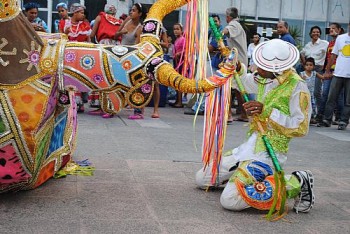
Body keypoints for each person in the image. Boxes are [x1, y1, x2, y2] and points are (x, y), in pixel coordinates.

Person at [196, 39, 314, 215]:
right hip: (248, 148)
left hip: (269, 152)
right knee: (202, 178)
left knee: (229, 200)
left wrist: (267, 111)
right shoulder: (265, 78)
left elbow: (301, 126)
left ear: (276, 69)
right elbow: (243, 81)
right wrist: (236, 69)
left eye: (261, 66)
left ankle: (297, 181)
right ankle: (245, 176)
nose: (256, 69)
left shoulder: (298, 87)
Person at [115, 3, 147, 119]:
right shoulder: (127, 21)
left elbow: (137, 47)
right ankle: (114, 106)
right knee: (118, 81)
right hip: (121, 55)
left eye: (134, 11)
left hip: (132, 58)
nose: (131, 12)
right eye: (131, 10)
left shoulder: (140, 28)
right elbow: (115, 35)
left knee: (135, 83)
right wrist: (121, 33)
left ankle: (138, 111)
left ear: (139, 14)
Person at [321, 21, 350, 130]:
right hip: (338, 73)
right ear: (348, 26)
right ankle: (327, 119)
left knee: (348, 101)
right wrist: (327, 71)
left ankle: (343, 121)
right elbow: (333, 56)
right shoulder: (341, 38)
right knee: (331, 97)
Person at [222, 7, 248, 123]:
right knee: (238, 90)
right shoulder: (238, 25)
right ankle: (244, 114)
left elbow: (226, 31)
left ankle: (228, 115)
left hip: (237, 63)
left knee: (228, 88)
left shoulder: (234, 24)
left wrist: (219, 34)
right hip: (239, 61)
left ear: (228, 17)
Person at [65, 3, 91, 113]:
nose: (83, 15)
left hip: (82, 54)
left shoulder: (85, 25)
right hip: (69, 54)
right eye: (81, 12)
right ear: (75, 13)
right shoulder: (65, 23)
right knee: (70, 77)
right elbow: (62, 37)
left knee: (81, 77)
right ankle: (71, 101)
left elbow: (89, 40)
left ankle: (81, 103)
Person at [300, 26, 329, 122]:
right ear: (310, 34)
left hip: (318, 69)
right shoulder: (308, 45)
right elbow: (302, 53)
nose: (315, 33)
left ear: (320, 34)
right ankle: (309, 115)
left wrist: (327, 68)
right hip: (307, 69)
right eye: (313, 32)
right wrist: (304, 63)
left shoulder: (324, 44)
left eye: (317, 32)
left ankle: (320, 114)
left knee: (317, 92)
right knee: (306, 92)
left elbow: (331, 54)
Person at [318, 23, 344, 125]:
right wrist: (326, 70)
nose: (331, 30)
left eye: (334, 28)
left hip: (338, 72)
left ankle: (339, 116)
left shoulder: (342, 42)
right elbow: (328, 58)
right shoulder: (330, 43)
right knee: (325, 93)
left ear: (339, 30)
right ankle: (322, 115)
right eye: (330, 28)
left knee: (338, 96)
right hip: (328, 72)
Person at [300, 57, 324, 124]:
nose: (309, 67)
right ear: (304, 66)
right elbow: (298, 81)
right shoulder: (302, 74)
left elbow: (322, 77)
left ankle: (311, 118)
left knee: (313, 105)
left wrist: (330, 75)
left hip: (311, 94)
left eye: (311, 65)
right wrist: (302, 79)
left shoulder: (314, 73)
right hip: (304, 93)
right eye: (307, 65)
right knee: (304, 105)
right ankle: (304, 118)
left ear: (313, 66)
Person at [170, 23, 186, 108]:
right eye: (174, 29)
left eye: (177, 29)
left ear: (181, 30)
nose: (175, 30)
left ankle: (179, 101)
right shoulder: (176, 40)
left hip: (181, 63)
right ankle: (177, 100)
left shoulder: (183, 39)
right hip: (176, 62)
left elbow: (187, 50)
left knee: (179, 82)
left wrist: (179, 53)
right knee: (176, 82)